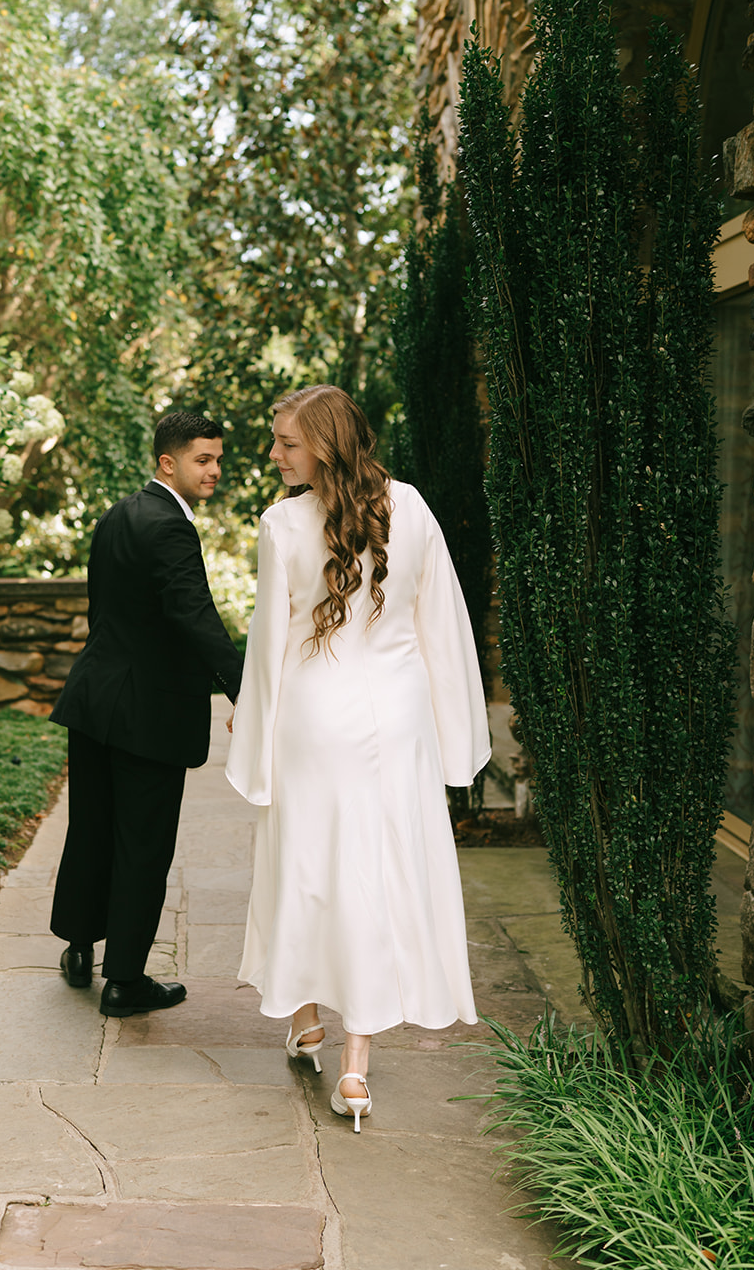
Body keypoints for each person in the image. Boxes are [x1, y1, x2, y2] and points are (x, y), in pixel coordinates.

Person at [226, 385, 490, 1130]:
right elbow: (443, 627)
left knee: (305, 866)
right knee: (378, 874)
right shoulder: (411, 506)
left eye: (286, 443)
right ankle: (355, 1066)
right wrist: (456, 740)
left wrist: (253, 727)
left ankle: (306, 1018)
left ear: (325, 445)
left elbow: (268, 643)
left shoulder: (282, 523)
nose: (274, 454)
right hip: (399, 720)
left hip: (313, 717)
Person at [50, 411, 244, 1018]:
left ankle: (80, 951)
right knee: (142, 845)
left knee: (92, 830)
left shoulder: (118, 515)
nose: (214, 471)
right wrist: (248, 689)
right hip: (146, 714)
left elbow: (109, 611)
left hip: (95, 699)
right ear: (168, 462)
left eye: (217, 459)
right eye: (202, 460)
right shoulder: (171, 527)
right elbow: (194, 616)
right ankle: (125, 982)